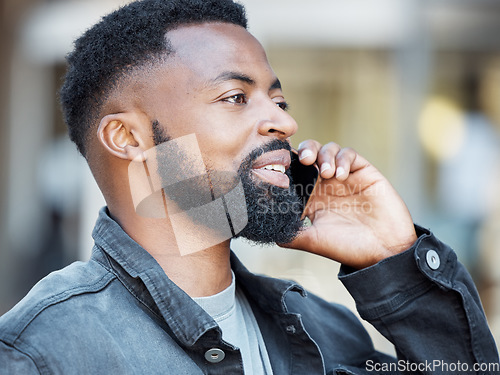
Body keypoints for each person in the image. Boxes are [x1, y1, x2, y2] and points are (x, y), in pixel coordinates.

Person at [0, 0, 498, 374]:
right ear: (128, 138)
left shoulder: (324, 330)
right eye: (236, 96)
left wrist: (397, 262)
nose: (284, 122)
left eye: (277, 101)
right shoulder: (43, 351)